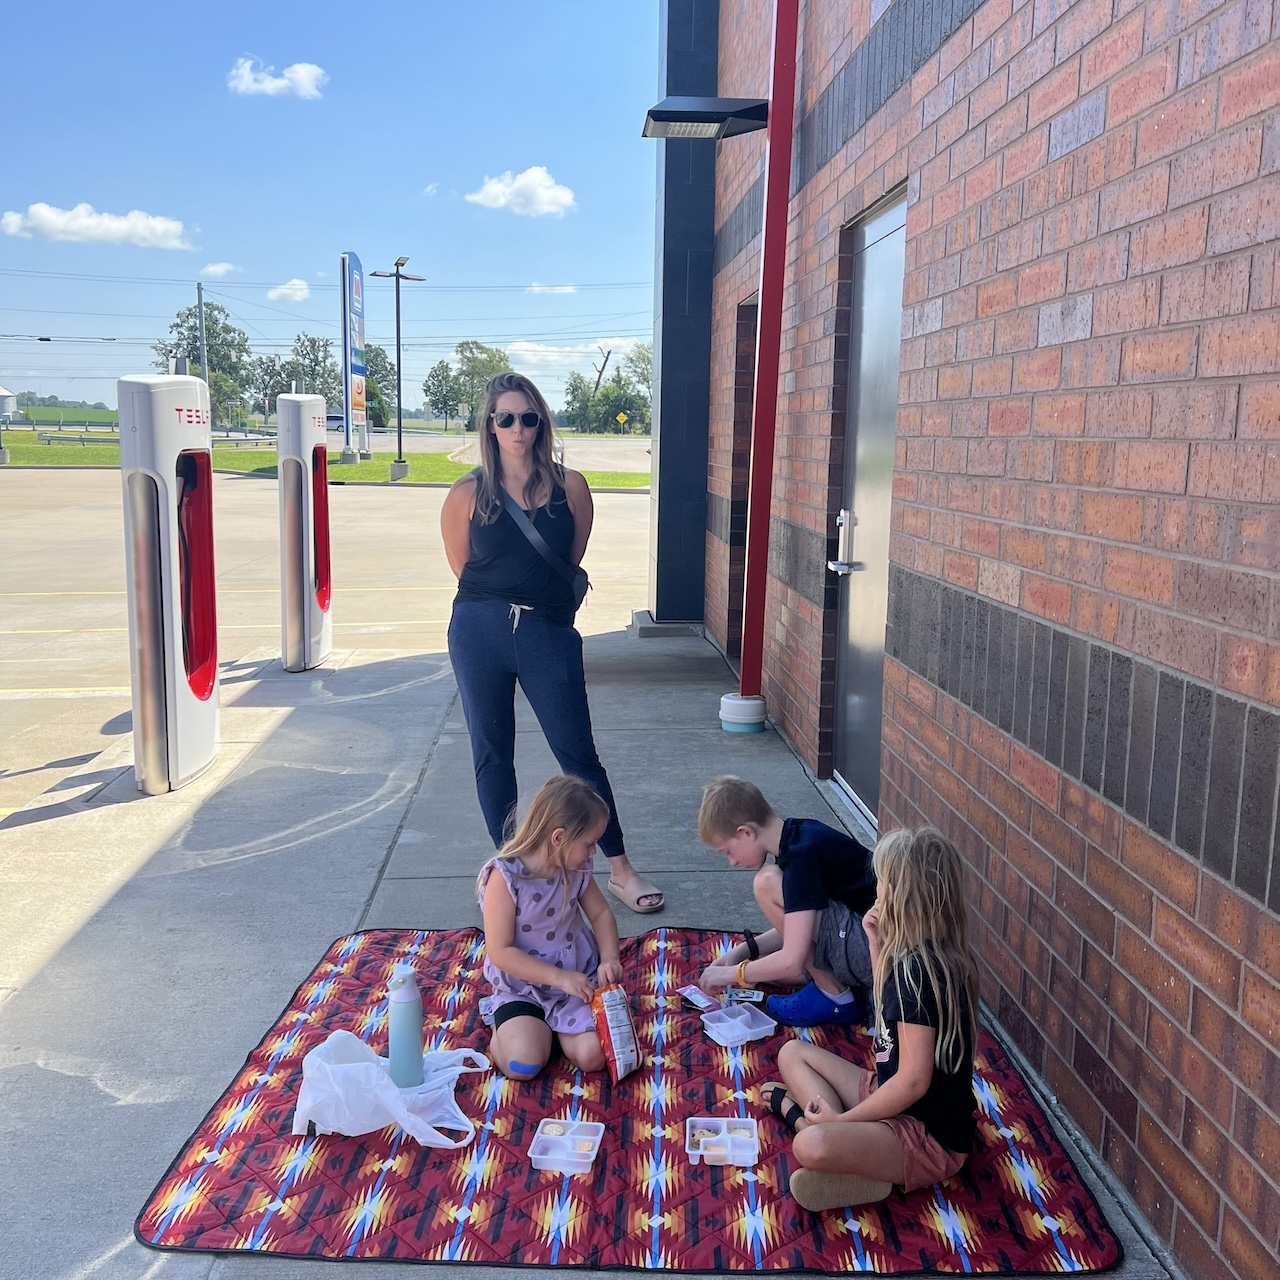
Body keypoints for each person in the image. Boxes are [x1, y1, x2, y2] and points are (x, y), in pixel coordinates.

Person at [441, 372, 663, 914]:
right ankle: (508, 875)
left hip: (546, 631)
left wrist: (538, 612)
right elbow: (463, 569)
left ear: (542, 423)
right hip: (479, 630)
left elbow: (570, 560)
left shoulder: (572, 488)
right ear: (491, 427)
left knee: (578, 754)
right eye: (506, 419)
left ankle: (620, 869)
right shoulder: (468, 493)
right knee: (492, 754)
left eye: (528, 418)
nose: (518, 429)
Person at [763, 827, 980, 1213]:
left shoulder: (920, 975)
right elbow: (887, 1014)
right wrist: (877, 946)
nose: (875, 889)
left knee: (810, 1145)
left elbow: (913, 1082)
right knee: (792, 1053)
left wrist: (843, 1121)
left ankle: (816, 1128)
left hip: (927, 1136)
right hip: (887, 1092)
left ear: (902, 895)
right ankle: (853, 1152)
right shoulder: (914, 953)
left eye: (881, 882)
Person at [695, 776, 876, 1027]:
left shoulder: (799, 860)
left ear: (746, 831)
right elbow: (801, 922)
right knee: (770, 968)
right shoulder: (800, 834)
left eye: (728, 851)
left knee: (766, 883)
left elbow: (791, 961)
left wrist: (732, 975)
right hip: (874, 941)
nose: (732, 862)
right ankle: (828, 983)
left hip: (877, 952)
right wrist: (744, 951)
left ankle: (835, 996)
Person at [477, 775, 623, 1079]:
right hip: (523, 987)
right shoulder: (505, 877)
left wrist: (609, 958)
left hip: (575, 982)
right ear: (558, 838)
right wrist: (559, 978)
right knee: (524, 1065)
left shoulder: (576, 867)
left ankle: (550, 1030)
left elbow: (600, 915)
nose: (593, 853)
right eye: (589, 844)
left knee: (595, 1056)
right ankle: (502, 1023)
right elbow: (500, 951)